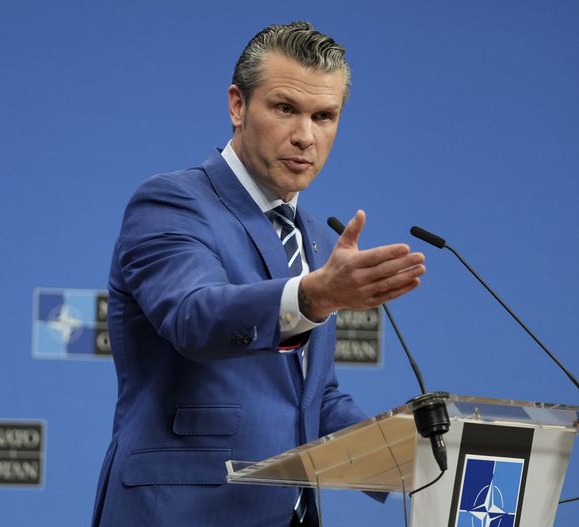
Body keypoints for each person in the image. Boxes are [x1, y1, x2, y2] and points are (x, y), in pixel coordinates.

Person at [91, 21, 426, 527]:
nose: (305, 136)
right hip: (181, 513)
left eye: (324, 116)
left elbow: (310, 396)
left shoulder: (314, 237)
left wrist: (416, 459)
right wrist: (311, 297)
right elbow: (194, 317)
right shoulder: (172, 202)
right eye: (285, 108)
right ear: (237, 105)